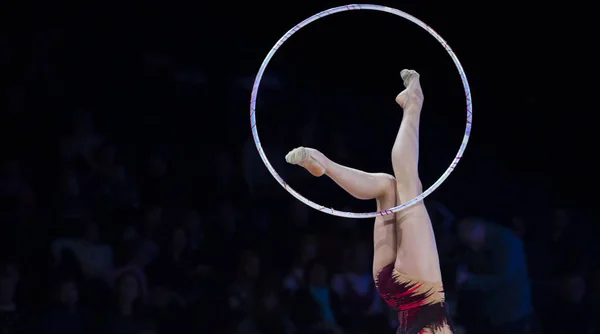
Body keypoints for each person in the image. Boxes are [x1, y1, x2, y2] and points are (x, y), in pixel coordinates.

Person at [286, 69, 454, 333]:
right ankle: (325, 165)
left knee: (409, 184)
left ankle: (414, 104)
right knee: (387, 188)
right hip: (391, 290)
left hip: (418, 290)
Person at [456, 218, 533, 334]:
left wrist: (469, 279)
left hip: (511, 314)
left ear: (480, 230)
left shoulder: (506, 242)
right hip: (493, 312)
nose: (473, 248)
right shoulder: (484, 242)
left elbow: (502, 279)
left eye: (474, 244)